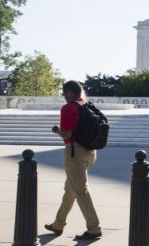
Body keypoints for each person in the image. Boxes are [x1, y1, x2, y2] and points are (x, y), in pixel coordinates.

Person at [44, 81, 103, 240]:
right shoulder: (86, 105)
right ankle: (58, 224)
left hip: (74, 153)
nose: (64, 96)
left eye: (64, 92)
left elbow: (67, 135)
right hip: (91, 152)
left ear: (70, 93)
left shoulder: (69, 108)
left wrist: (58, 130)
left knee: (80, 190)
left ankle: (94, 228)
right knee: (70, 188)